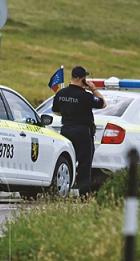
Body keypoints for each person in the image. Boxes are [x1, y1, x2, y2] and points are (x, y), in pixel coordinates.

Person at [52, 66, 106, 196]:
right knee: (84, 164)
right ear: (83, 79)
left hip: (66, 130)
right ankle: (84, 194)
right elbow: (102, 103)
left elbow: (55, 111)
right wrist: (93, 89)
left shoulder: (61, 93)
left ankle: (63, 190)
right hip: (83, 132)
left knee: (67, 160)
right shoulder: (85, 96)